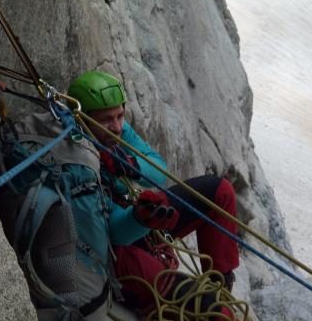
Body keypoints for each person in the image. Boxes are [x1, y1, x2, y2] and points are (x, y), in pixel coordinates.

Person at [68, 70, 240, 317]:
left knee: (220, 191)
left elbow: (158, 167)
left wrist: (130, 164)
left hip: (137, 216)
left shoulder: (116, 132)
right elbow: (115, 234)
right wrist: (142, 219)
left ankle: (220, 284)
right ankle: (213, 304)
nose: (117, 127)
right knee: (218, 312)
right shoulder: (77, 162)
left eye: (120, 116)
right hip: (116, 250)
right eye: (107, 119)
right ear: (83, 119)